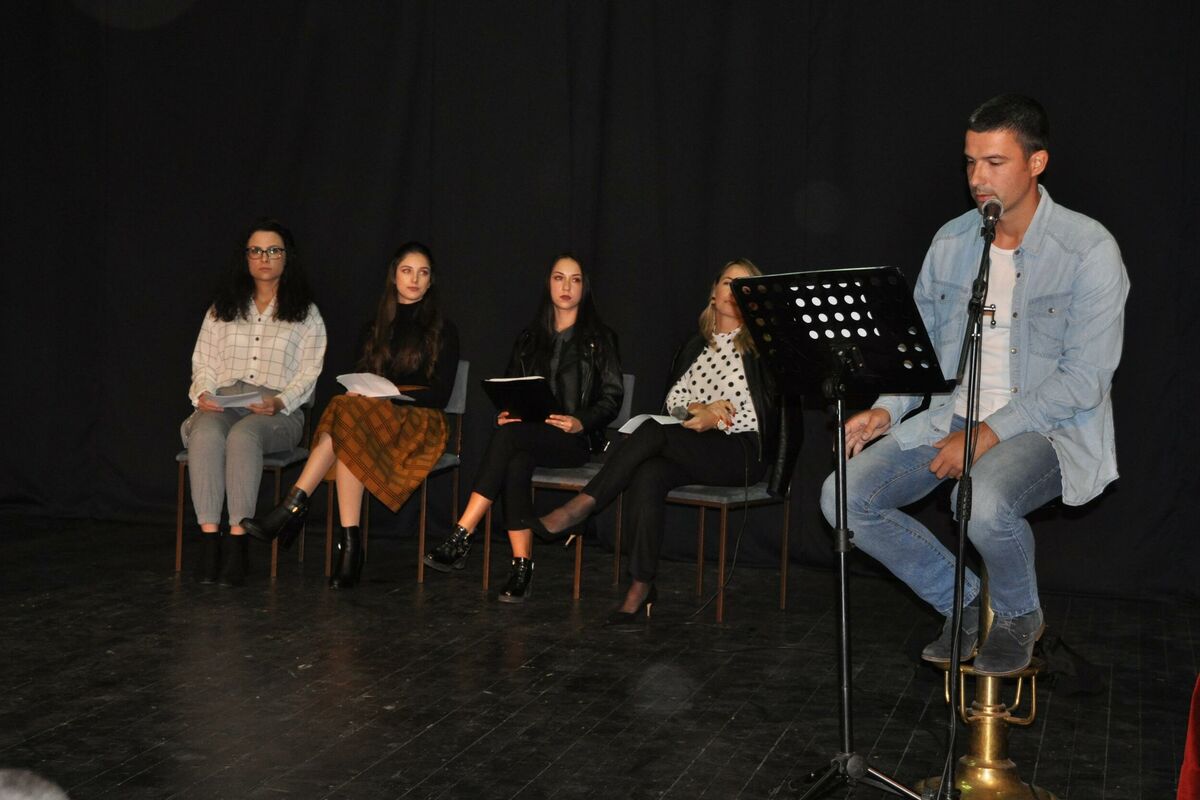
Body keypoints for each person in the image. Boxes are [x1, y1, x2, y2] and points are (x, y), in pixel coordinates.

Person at [819, 94, 1129, 675]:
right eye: (970, 162)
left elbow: (1084, 379)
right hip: (953, 417)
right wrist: (888, 408)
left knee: (981, 501)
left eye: (994, 162)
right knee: (844, 497)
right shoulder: (952, 242)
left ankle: (1017, 617)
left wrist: (987, 433)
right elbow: (921, 351)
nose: (978, 178)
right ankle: (962, 601)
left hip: (1049, 429)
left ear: (1036, 163)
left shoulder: (1088, 249)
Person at [530, 259, 800, 624]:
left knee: (651, 431)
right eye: (728, 283)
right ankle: (641, 583)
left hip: (742, 450)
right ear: (713, 291)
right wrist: (697, 409)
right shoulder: (696, 347)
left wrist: (718, 416)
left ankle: (580, 506)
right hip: (698, 444)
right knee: (650, 473)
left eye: (745, 286)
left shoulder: (764, 348)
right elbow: (674, 398)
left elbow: (776, 412)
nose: (734, 292)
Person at [243, 242, 460, 589]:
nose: (414, 279)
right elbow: (359, 377)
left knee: (347, 418)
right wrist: (365, 394)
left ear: (431, 280)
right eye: (407, 271)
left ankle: (293, 507)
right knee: (349, 420)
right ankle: (349, 544)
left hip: (420, 420)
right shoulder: (373, 328)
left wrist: (389, 396)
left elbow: (441, 395)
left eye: (423, 273)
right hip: (370, 418)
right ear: (394, 276)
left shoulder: (443, 329)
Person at [423, 254, 623, 602]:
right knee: (514, 456)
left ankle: (463, 533)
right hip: (527, 434)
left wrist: (581, 421)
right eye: (559, 278)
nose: (566, 286)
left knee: (511, 439)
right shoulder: (530, 338)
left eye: (574, 279)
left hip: (573, 440)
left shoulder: (600, 339)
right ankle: (521, 566)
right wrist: (506, 412)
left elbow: (612, 398)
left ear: (584, 288)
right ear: (548, 284)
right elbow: (511, 386)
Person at [182, 217, 326, 587]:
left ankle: (238, 541)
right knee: (206, 433)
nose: (264, 258)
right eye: (256, 251)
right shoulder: (223, 308)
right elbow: (204, 362)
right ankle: (209, 541)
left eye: (273, 250)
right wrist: (204, 394)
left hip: (277, 410)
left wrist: (280, 401)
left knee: (243, 437)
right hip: (225, 402)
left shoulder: (305, 313)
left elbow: (309, 372)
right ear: (245, 258)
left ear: (287, 257)